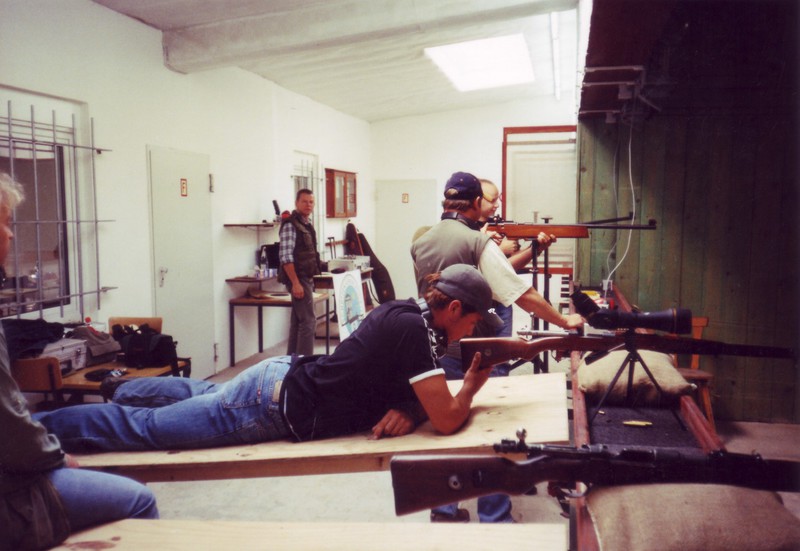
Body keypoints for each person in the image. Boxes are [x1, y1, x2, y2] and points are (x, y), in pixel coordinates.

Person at [34, 264, 499, 452]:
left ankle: (124, 387)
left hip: (279, 379)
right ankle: (37, 431)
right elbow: (446, 419)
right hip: (273, 406)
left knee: (207, 393)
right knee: (147, 430)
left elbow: (407, 390)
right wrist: (472, 386)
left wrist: (410, 407)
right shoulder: (415, 331)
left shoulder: (408, 316)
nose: (470, 333)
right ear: (454, 308)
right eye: (473, 322)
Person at [410, 171, 585, 524]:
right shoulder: (478, 242)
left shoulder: (422, 241)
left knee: (445, 425)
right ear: (476, 202)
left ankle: (443, 507)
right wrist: (564, 321)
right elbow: (521, 293)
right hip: (478, 347)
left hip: (436, 346)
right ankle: (494, 516)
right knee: (491, 427)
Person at [0, 173, 158, 551]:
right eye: (5, 222)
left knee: (109, 418)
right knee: (139, 497)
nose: (11, 235)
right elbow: (11, 429)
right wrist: (57, 458)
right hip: (10, 489)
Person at [278, 188, 321, 356]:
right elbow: (286, 257)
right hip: (298, 279)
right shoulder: (291, 225)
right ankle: (305, 364)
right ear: (296, 203)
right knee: (309, 322)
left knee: (298, 323)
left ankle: (292, 362)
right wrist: (295, 283)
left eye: (311, 202)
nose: (308, 205)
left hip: (305, 278)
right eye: (304, 201)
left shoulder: (306, 224)